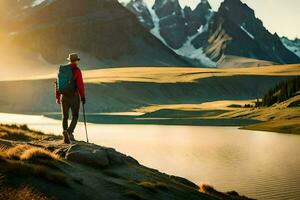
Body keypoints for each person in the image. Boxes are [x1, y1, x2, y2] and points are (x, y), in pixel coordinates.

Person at [55, 53, 86, 143]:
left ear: (69, 60)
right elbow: (80, 85)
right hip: (74, 97)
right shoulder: (76, 70)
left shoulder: (61, 70)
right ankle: (69, 132)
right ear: (76, 60)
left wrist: (57, 97)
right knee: (75, 116)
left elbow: (57, 84)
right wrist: (83, 97)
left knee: (65, 116)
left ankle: (65, 133)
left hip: (63, 96)